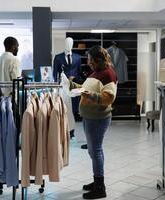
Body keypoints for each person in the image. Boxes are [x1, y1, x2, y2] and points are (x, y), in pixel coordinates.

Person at [61, 45, 117, 199]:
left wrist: (87, 94)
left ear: (99, 60)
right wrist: (73, 86)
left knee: (96, 151)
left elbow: (108, 98)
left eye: (91, 61)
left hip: (98, 118)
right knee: (94, 151)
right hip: (90, 117)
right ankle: (97, 180)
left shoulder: (108, 74)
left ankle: (100, 187)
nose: (89, 64)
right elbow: (87, 89)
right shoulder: (96, 72)